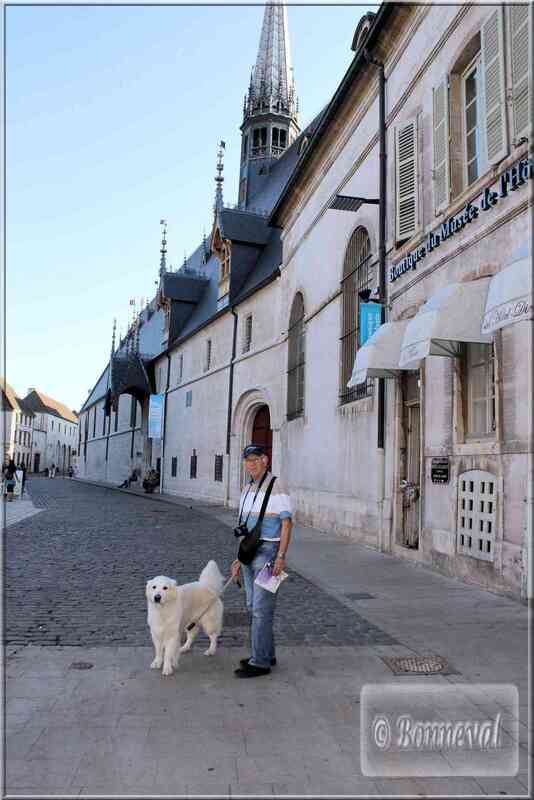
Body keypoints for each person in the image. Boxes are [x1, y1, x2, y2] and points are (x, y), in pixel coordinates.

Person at [231, 444, 292, 678]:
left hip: (268, 552)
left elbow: (287, 524)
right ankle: (266, 653)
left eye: (256, 459)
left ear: (265, 460)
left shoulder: (278, 486)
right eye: (247, 460)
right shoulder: (246, 488)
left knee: (261, 610)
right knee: (252, 607)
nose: (251, 464)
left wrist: (281, 556)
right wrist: (238, 558)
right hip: (249, 552)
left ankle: (260, 663)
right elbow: (244, 528)